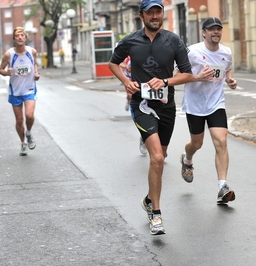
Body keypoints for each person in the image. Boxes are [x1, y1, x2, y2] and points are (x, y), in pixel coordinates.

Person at [108, 0, 213, 235]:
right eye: (150, 12)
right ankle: (156, 214)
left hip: (166, 107)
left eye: (158, 11)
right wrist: (127, 82)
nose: (155, 16)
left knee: (162, 155)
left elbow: (187, 74)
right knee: (156, 157)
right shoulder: (130, 41)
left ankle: (148, 199)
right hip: (142, 105)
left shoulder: (173, 40)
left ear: (162, 14)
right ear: (141, 15)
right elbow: (112, 64)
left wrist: (165, 81)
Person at [176, 17, 238, 204]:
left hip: (216, 103)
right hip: (195, 104)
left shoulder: (226, 52)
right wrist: (197, 77)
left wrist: (229, 80)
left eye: (218, 29)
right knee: (197, 143)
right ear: (204, 32)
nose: (216, 32)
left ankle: (222, 187)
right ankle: (187, 159)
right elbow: (177, 75)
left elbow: (227, 69)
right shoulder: (192, 52)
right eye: (211, 29)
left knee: (221, 141)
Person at [0, 27, 40, 156]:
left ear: (25, 38)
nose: (20, 37)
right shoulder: (9, 54)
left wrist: (36, 73)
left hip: (29, 89)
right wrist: (6, 72)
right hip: (15, 91)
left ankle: (29, 133)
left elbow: (35, 64)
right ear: (14, 39)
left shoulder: (32, 52)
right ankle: (23, 143)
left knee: (29, 116)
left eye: (22, 35)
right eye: (17, 36)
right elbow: (0, 69)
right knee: (20, 120)